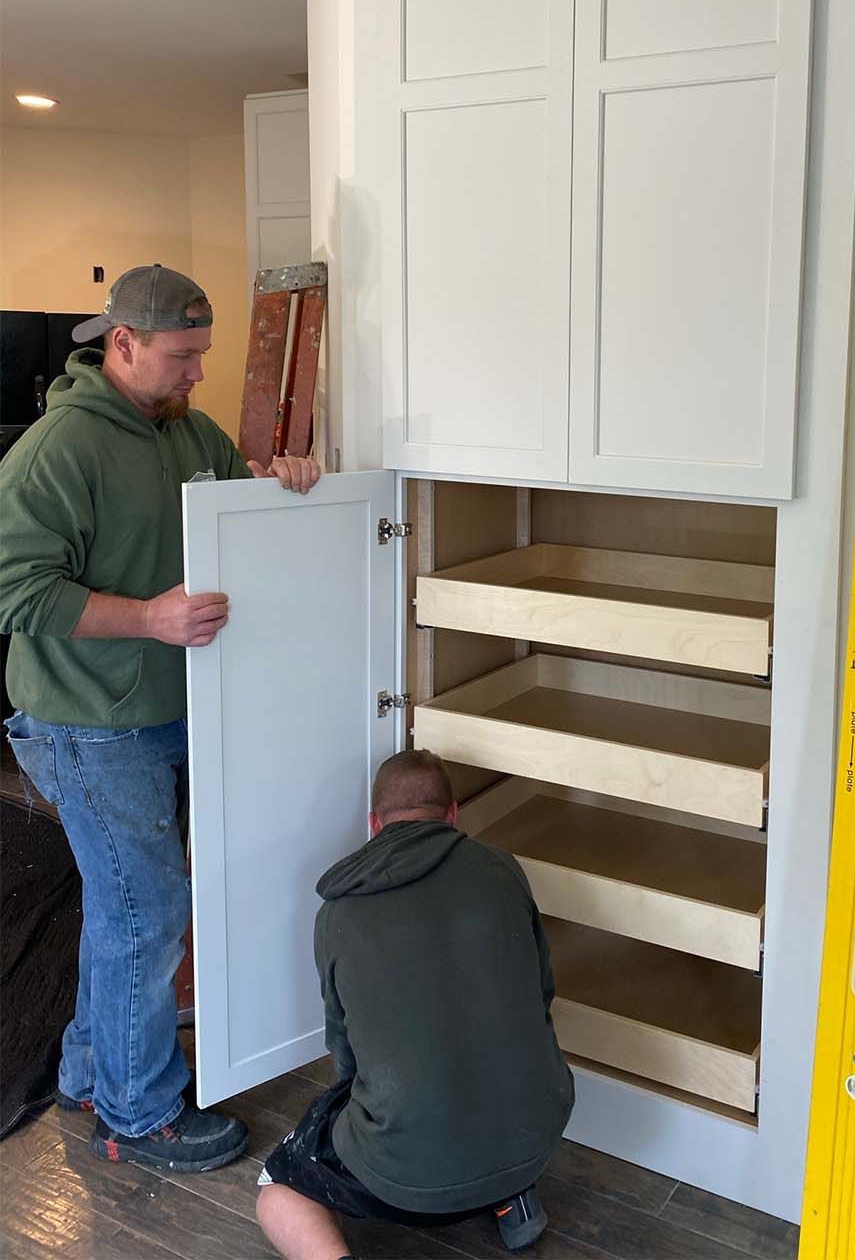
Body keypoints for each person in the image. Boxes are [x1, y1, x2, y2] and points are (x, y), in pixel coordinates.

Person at [0, 263, 321, 1173]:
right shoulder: (56, 451)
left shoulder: (189, 432)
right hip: (86, 722)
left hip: (168, 712)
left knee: (124, 908)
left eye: (204, 356)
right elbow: (13, 591)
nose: (197, 374)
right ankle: (138, 1116)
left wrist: (284, 480)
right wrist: (149, 617)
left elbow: (239, 509)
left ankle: (89, 1066)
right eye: (182, 357)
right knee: (146, 913)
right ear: (124, 344)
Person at [255, 748, 574, 1259]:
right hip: (531, 1138)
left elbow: (346, 1053)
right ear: (452, 815)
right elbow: (540, 993)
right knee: (488, 1070)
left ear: (374, 824)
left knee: (276, 1195)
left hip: (407, 1172)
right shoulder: (502, 870)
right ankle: (511, 1198)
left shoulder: (338, 916)